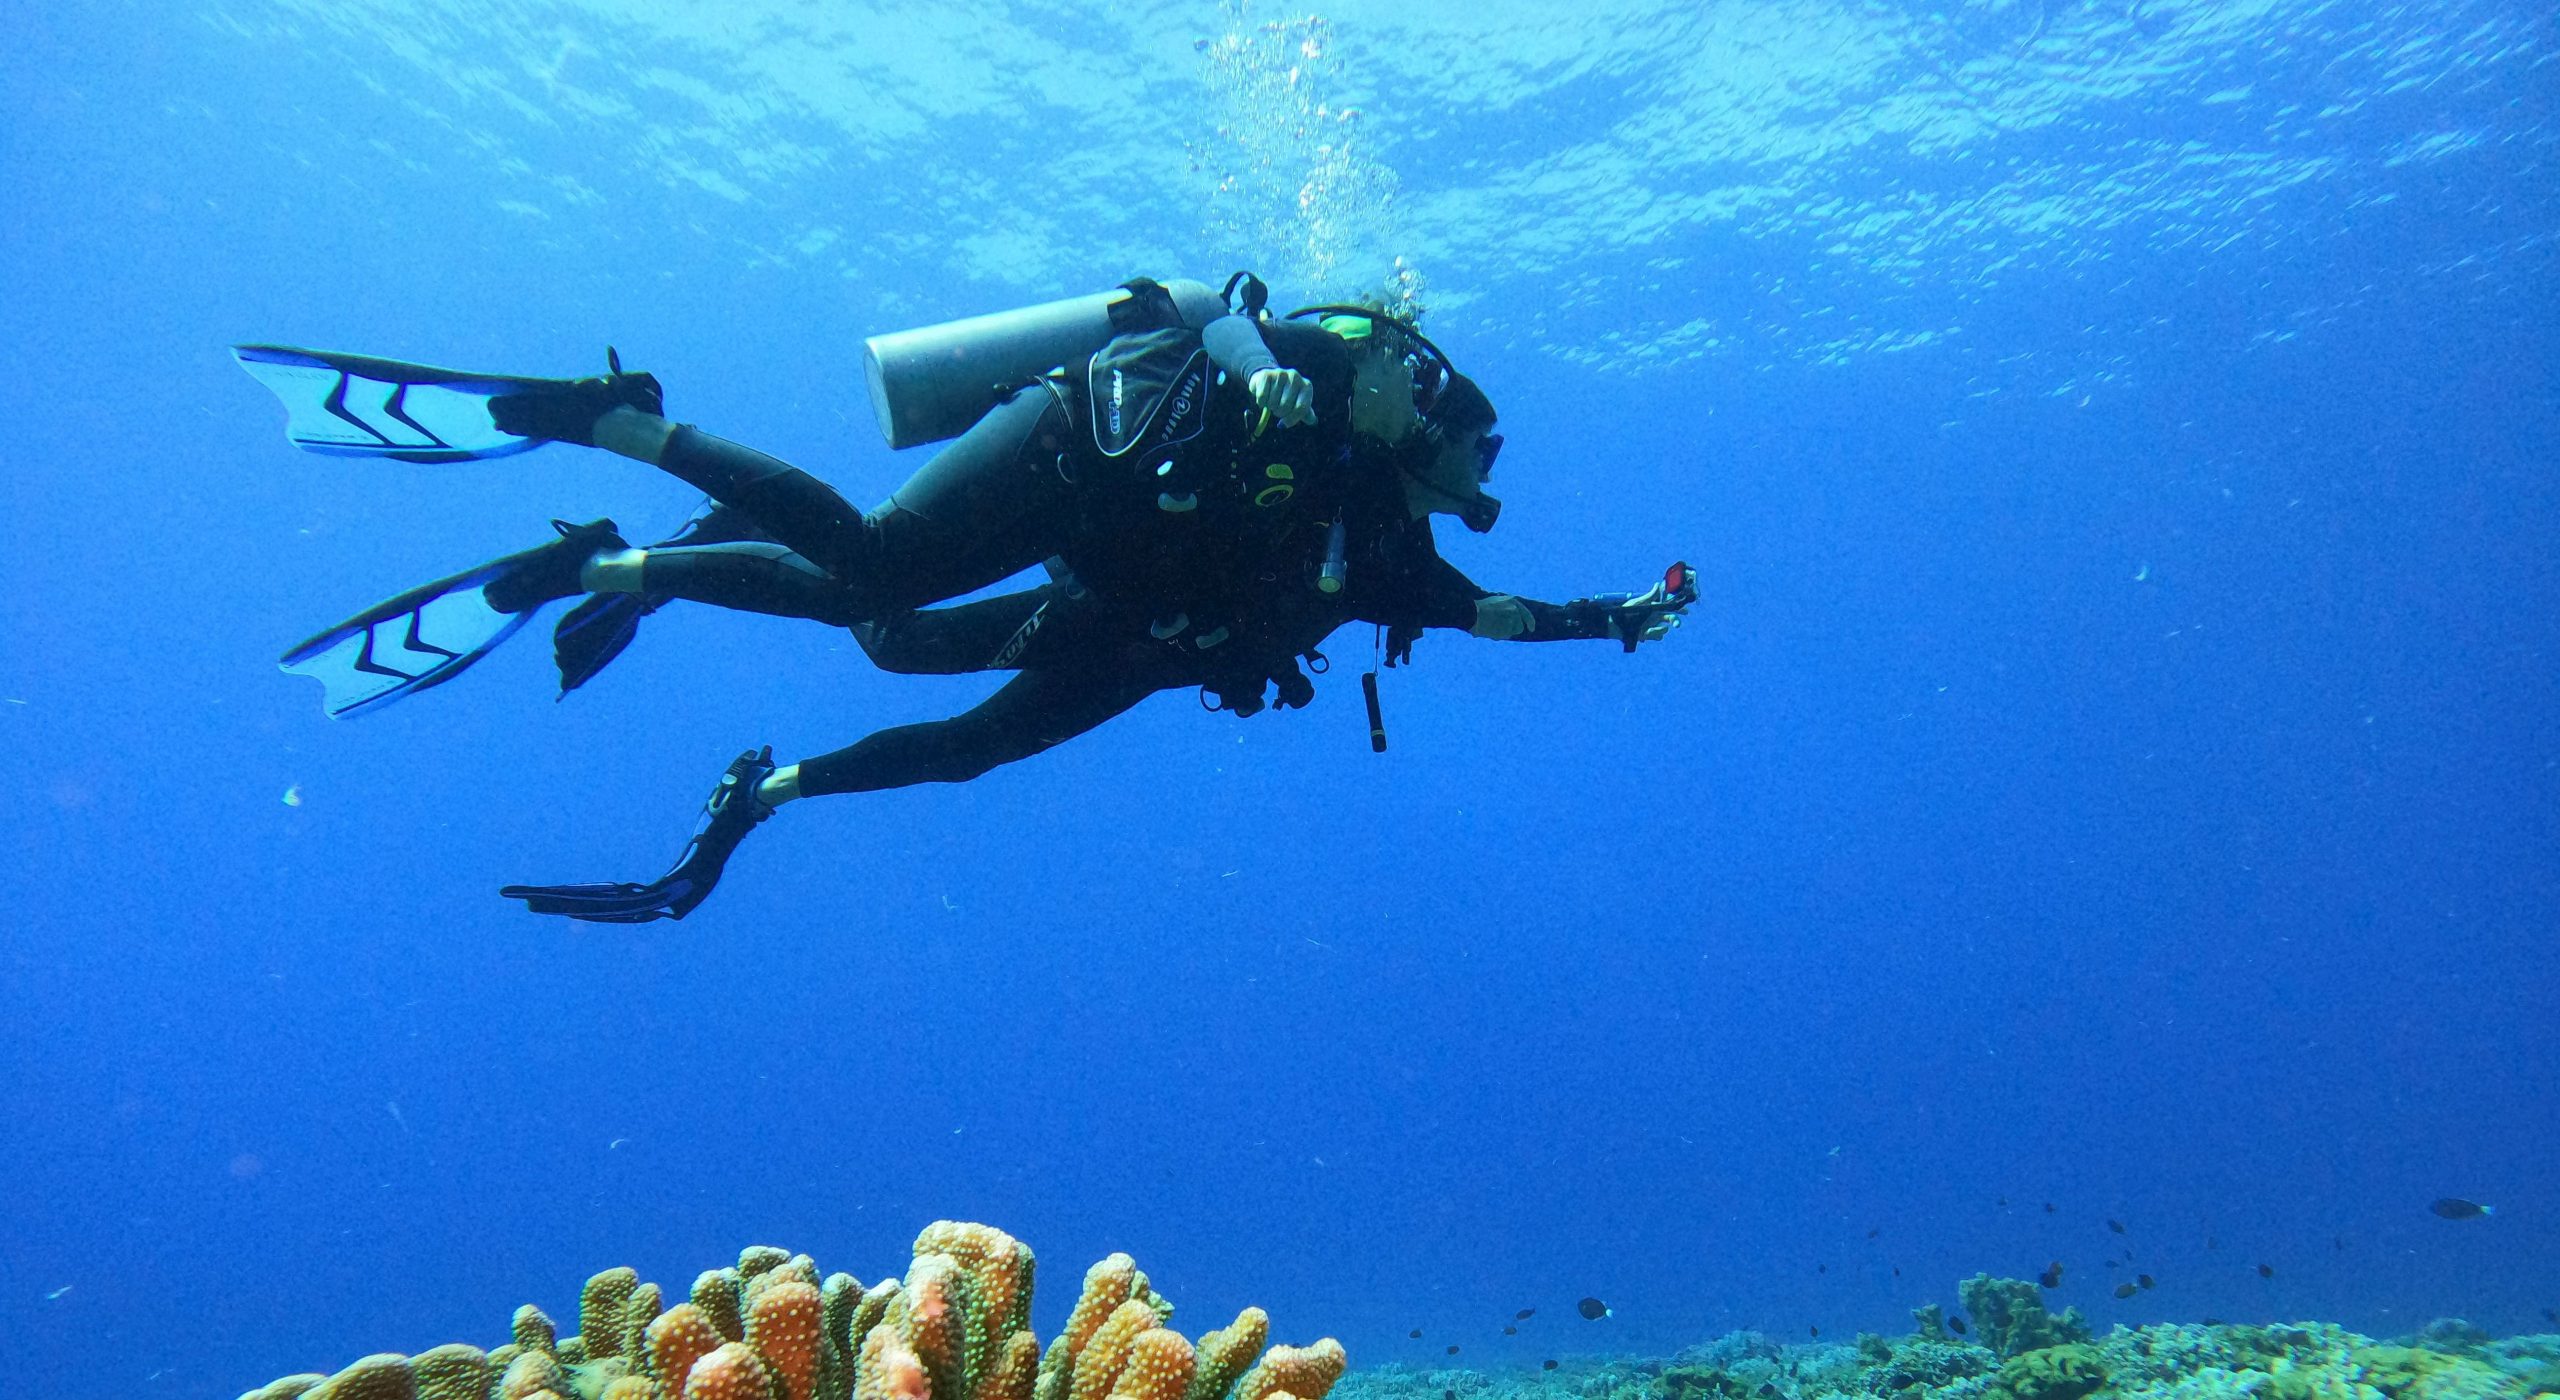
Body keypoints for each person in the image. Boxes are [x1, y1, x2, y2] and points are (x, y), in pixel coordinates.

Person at [238, 295, 1697, 921]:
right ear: (1430, 407)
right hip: (1076, 446)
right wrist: (1270, 370)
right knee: (877, 569)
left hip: (1122, 623)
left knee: (939, 716)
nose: (1480, 475)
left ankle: (636, 599)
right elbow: (1240, 311)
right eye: (1477, 449)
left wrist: (1616, 619)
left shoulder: (1380, 547)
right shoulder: (1318, 381)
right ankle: (622, 424)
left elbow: (1498, 613)